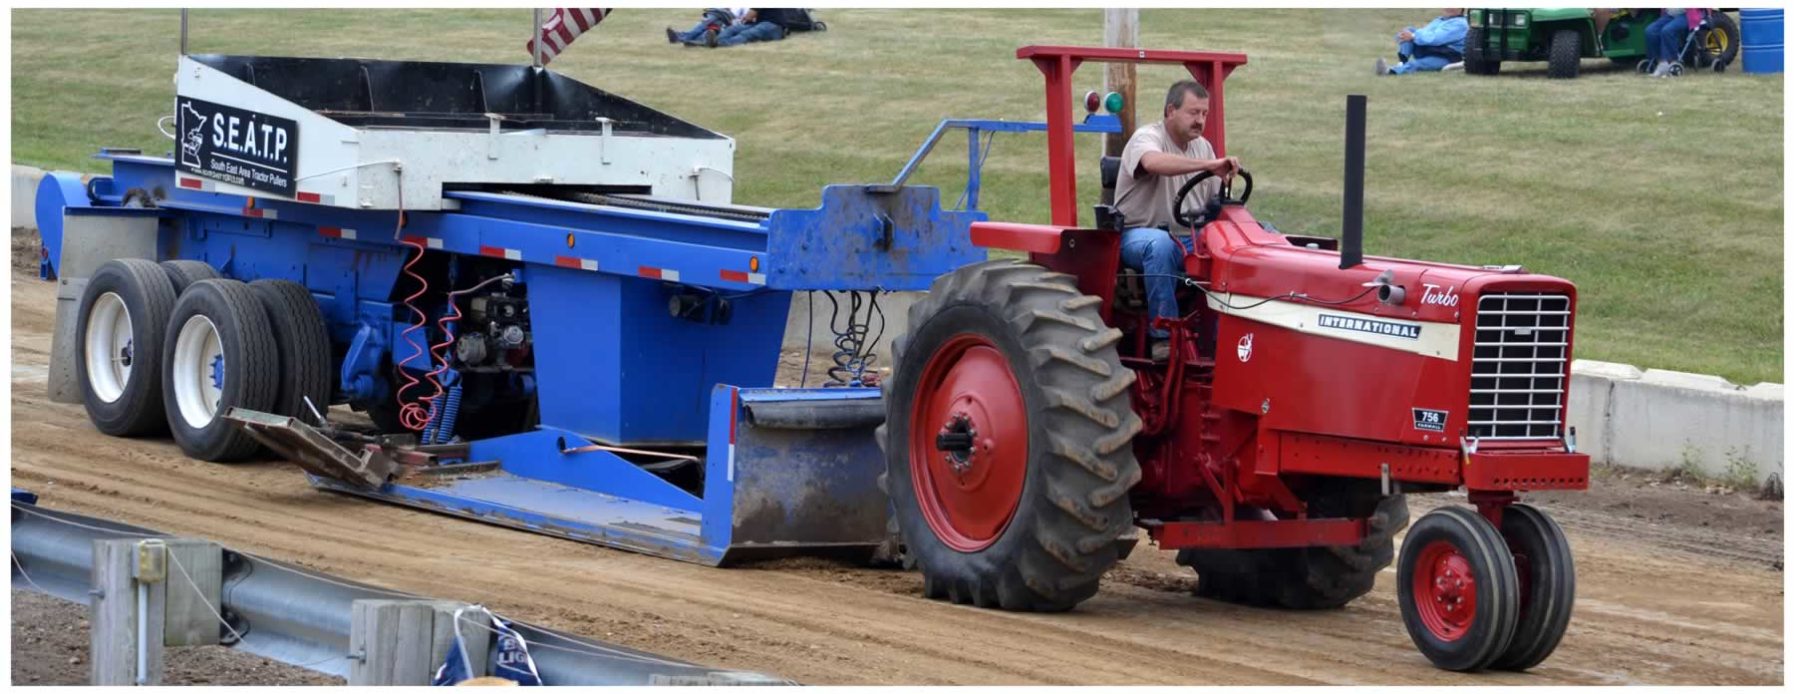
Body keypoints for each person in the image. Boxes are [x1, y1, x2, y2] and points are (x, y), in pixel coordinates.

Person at [1113, 80, 1241, 361]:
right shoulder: (1147, 138)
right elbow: (1153, 163)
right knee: (1159, 246)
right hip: (1139, 234)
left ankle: (1229, 335)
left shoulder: (1203, 147)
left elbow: (1215, 204)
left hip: (1187, 236)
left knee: (1236, 245)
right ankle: (1163, 335)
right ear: (1171, 110)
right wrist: (1210, 166)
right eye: (1193, 113)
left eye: (1205, 114)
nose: (1200, 121)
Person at [1375, 9, 1470, 75]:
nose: (1450, 7)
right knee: (1409, 30)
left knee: (1415, 64)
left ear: (1462, 8)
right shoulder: (1440, 20)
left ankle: (1390, 72)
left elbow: (1436, 39)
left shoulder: (1460, 24)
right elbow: (1424, 33)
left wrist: (1413, 36)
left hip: (1447, 58)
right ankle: (1402, 62)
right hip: (1430, 50)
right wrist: (1402, 36)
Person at [1643, 9, 1706, 77]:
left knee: (1667, 30)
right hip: (1670, 15)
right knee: (1650, 31)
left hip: (1688, 15)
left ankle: (1672, 62)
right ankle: (1661, 62)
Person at [711, 8, 798, 48]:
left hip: (774, 26)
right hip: (761, 24)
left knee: (746, 33)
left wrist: (742, 18)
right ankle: (716, 41)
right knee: (733, 29)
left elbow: (750, 16)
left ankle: (721, 43)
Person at [667, 7, 749, 47]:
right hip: (721, 18)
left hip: (734, 22)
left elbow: (748, 18)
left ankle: (683, 37)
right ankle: (698, 40)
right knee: (714, 21)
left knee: (713, 19)